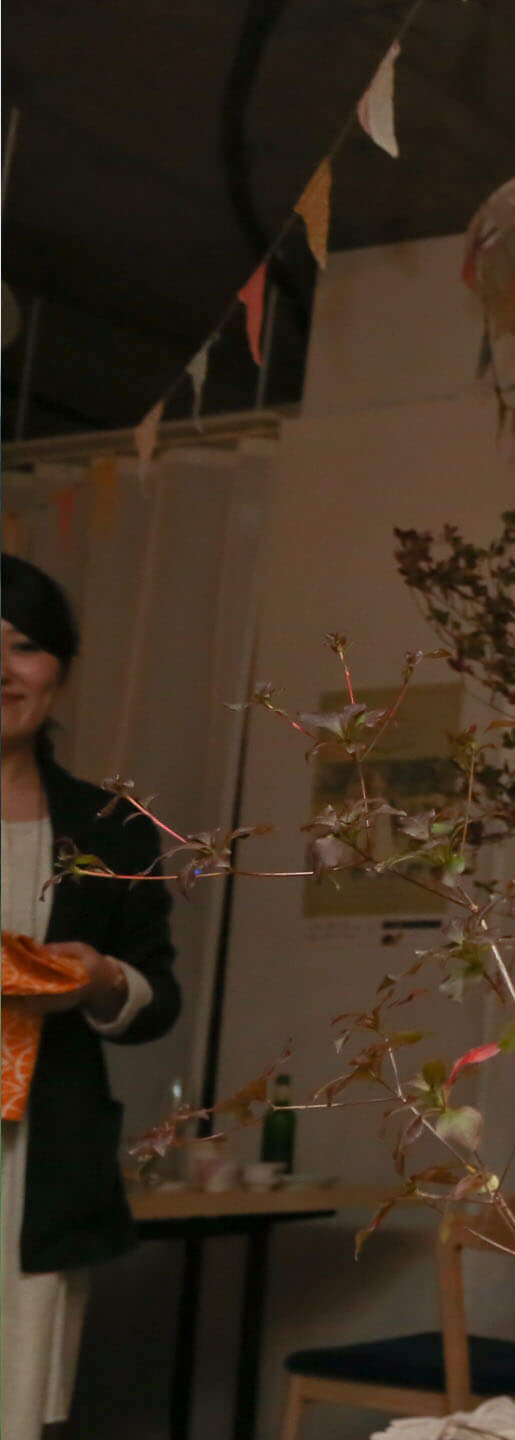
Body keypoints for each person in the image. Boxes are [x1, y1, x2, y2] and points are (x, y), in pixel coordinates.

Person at [1, 555, 180, 1440]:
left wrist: (104, 978)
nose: (1, 671)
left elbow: (159, 998)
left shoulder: (110, 830)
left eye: (24, 647)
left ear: (60, 672)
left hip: (39, 1167)